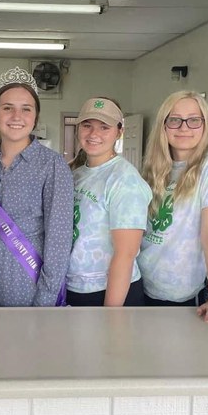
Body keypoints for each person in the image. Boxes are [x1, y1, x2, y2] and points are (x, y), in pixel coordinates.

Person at [0, 66, 73, 307]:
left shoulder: (52, 165)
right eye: (7, 108)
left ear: (35, 117)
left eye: (26, 109)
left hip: (25, 278)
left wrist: (46, 296)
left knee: (22, 343)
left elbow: (59, 238)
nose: (16, 116)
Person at [139, 91, 208, 323]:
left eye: (194, 120)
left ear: (205, 126)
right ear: (164, 125)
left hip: (180, 290)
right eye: (174, 119)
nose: (184, 127)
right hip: (141, 280)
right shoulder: (154, 168)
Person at [67, 97, 152, 307]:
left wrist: (111, 314)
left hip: (109, 293)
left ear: (119, 132)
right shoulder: (76, 174)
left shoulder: (125, 180)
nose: (94, 134)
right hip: (74, 287)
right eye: (87, 125)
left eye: (104, 127)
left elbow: (126, 253)